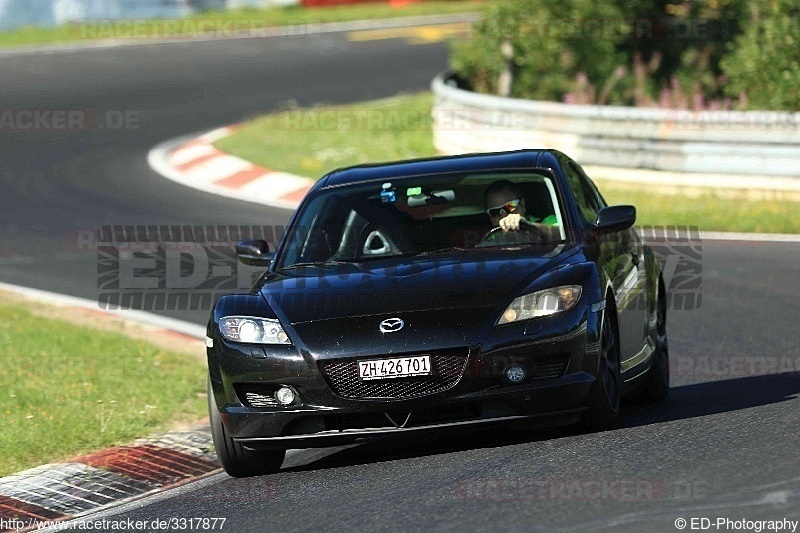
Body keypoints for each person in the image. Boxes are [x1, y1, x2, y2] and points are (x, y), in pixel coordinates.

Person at [484, 180, 558, 232]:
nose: (504, 216)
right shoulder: (491, 238)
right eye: (495, 212)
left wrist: (529, 226)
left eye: (509, 207)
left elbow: (564, 234)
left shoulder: (548, 222)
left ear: (522, 204)